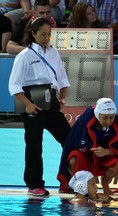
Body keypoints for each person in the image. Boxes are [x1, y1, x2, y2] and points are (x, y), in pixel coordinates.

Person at [8, 17, 71, 196]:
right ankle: (34, 184)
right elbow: (14, 85)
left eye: (49, 34)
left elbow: (63, 79)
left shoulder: (54, 53)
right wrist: (27, 104)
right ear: (33, 34)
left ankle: (66, 180)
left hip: (50, 99)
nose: (46, 37)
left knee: (69, 138)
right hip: (31, 99)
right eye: (43, 34)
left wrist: (62, 100)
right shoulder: (24, 56)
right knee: (34, 144)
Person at [57, 98, 118, 195]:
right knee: (74, 158)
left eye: (111, 117)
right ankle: (81, 186)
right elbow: (70, 145)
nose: (108, 121)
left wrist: (107, 151)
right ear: (97, 115)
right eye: (105, 118)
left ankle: (105, 183)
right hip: (87, 157)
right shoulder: (85, 120)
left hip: (105, 157)